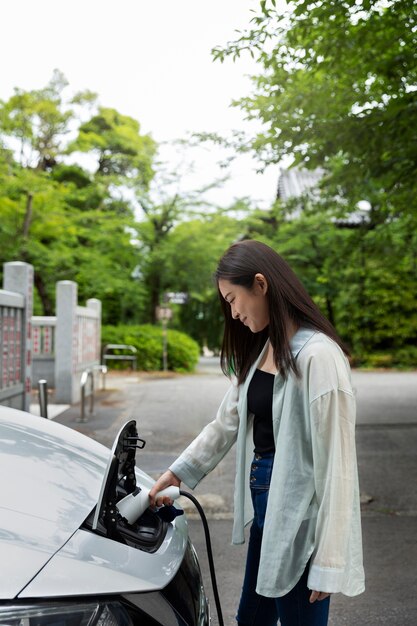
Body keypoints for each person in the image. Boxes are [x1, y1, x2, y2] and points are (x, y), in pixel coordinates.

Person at [149, 239, 365, 626]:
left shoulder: (319, 356)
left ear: (261, 285)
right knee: (252, 618)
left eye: (233, 299)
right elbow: (226, 422)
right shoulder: (265, 347)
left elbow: (338, 466)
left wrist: (329, 561)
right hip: (270, 509)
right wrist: (176, 474)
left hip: (300, 517)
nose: (232, 314)